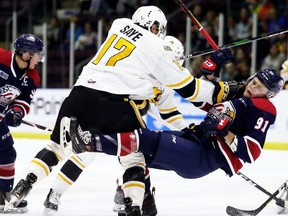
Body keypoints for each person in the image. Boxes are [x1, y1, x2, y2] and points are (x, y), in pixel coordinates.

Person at [5, 6, 235, 216]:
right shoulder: (158, 52)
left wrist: (205, 73)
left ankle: (21, 188)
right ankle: (133, 206)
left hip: (79, 93)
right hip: (115, 104)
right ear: (156, 28)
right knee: (134, 157)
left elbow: (168, 110)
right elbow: (192, 90)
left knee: (55, 147)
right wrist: (226, 87)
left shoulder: (119, 25)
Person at [70, 69, 284, 213]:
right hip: (195, 141)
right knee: (135, 153)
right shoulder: (239, 96)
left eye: (260, 86)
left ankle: (88, 141)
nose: (253, 85)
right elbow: (206, 103)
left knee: (143, 138)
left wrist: (225, 132)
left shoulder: (262, 108)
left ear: (270, 95)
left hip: (203, 156)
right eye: (254, 80)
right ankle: (143, 201)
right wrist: (210, 73)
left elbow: (251, 152)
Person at [43, 35, 188, 216]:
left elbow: (166, 112)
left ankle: (134, 197)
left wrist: (186, 130)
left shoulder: (163, 82)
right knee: (86, 155)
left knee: (136, 157)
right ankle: (55, 193)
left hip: (125, 122)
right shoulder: (137, 66)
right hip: (108, 111)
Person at [0, 34, 44, 213]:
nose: (39, 59)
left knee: (8, 153)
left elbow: (24, 102)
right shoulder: (1, 58)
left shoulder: (32, 77)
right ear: (26, 54)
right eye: (37, 55)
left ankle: (3, 194)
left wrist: (16, 113)